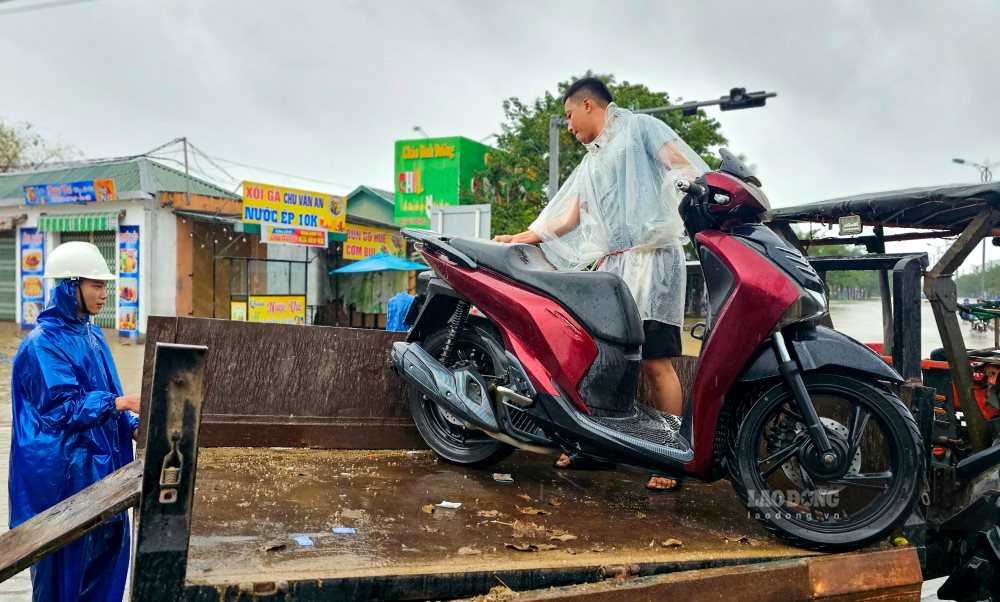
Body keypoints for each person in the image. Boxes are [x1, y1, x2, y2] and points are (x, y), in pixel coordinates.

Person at [494, 77, 708, 492]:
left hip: (652, 257)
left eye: (570, 117)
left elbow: (681, 166)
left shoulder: (641, 129)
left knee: (655, 359)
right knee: (602, 359)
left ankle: (670, 456)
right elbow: (566, 219)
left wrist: (679, 200)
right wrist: (521, 237)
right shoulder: (591, 162)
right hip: (614, 268)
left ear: (588, 105)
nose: (569, 127)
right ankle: (597, 447)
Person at [8, 241, 140, 602]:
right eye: (96, 285)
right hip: (63, 481)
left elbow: (107, 397)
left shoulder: (94, 335)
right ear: (70, 286)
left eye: (105, 285)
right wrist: (122, 402)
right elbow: (62, 409)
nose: (104, 294)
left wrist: (131, 425)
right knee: (62, 579)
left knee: (106, 570)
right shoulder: (41, 345)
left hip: (104, 476)